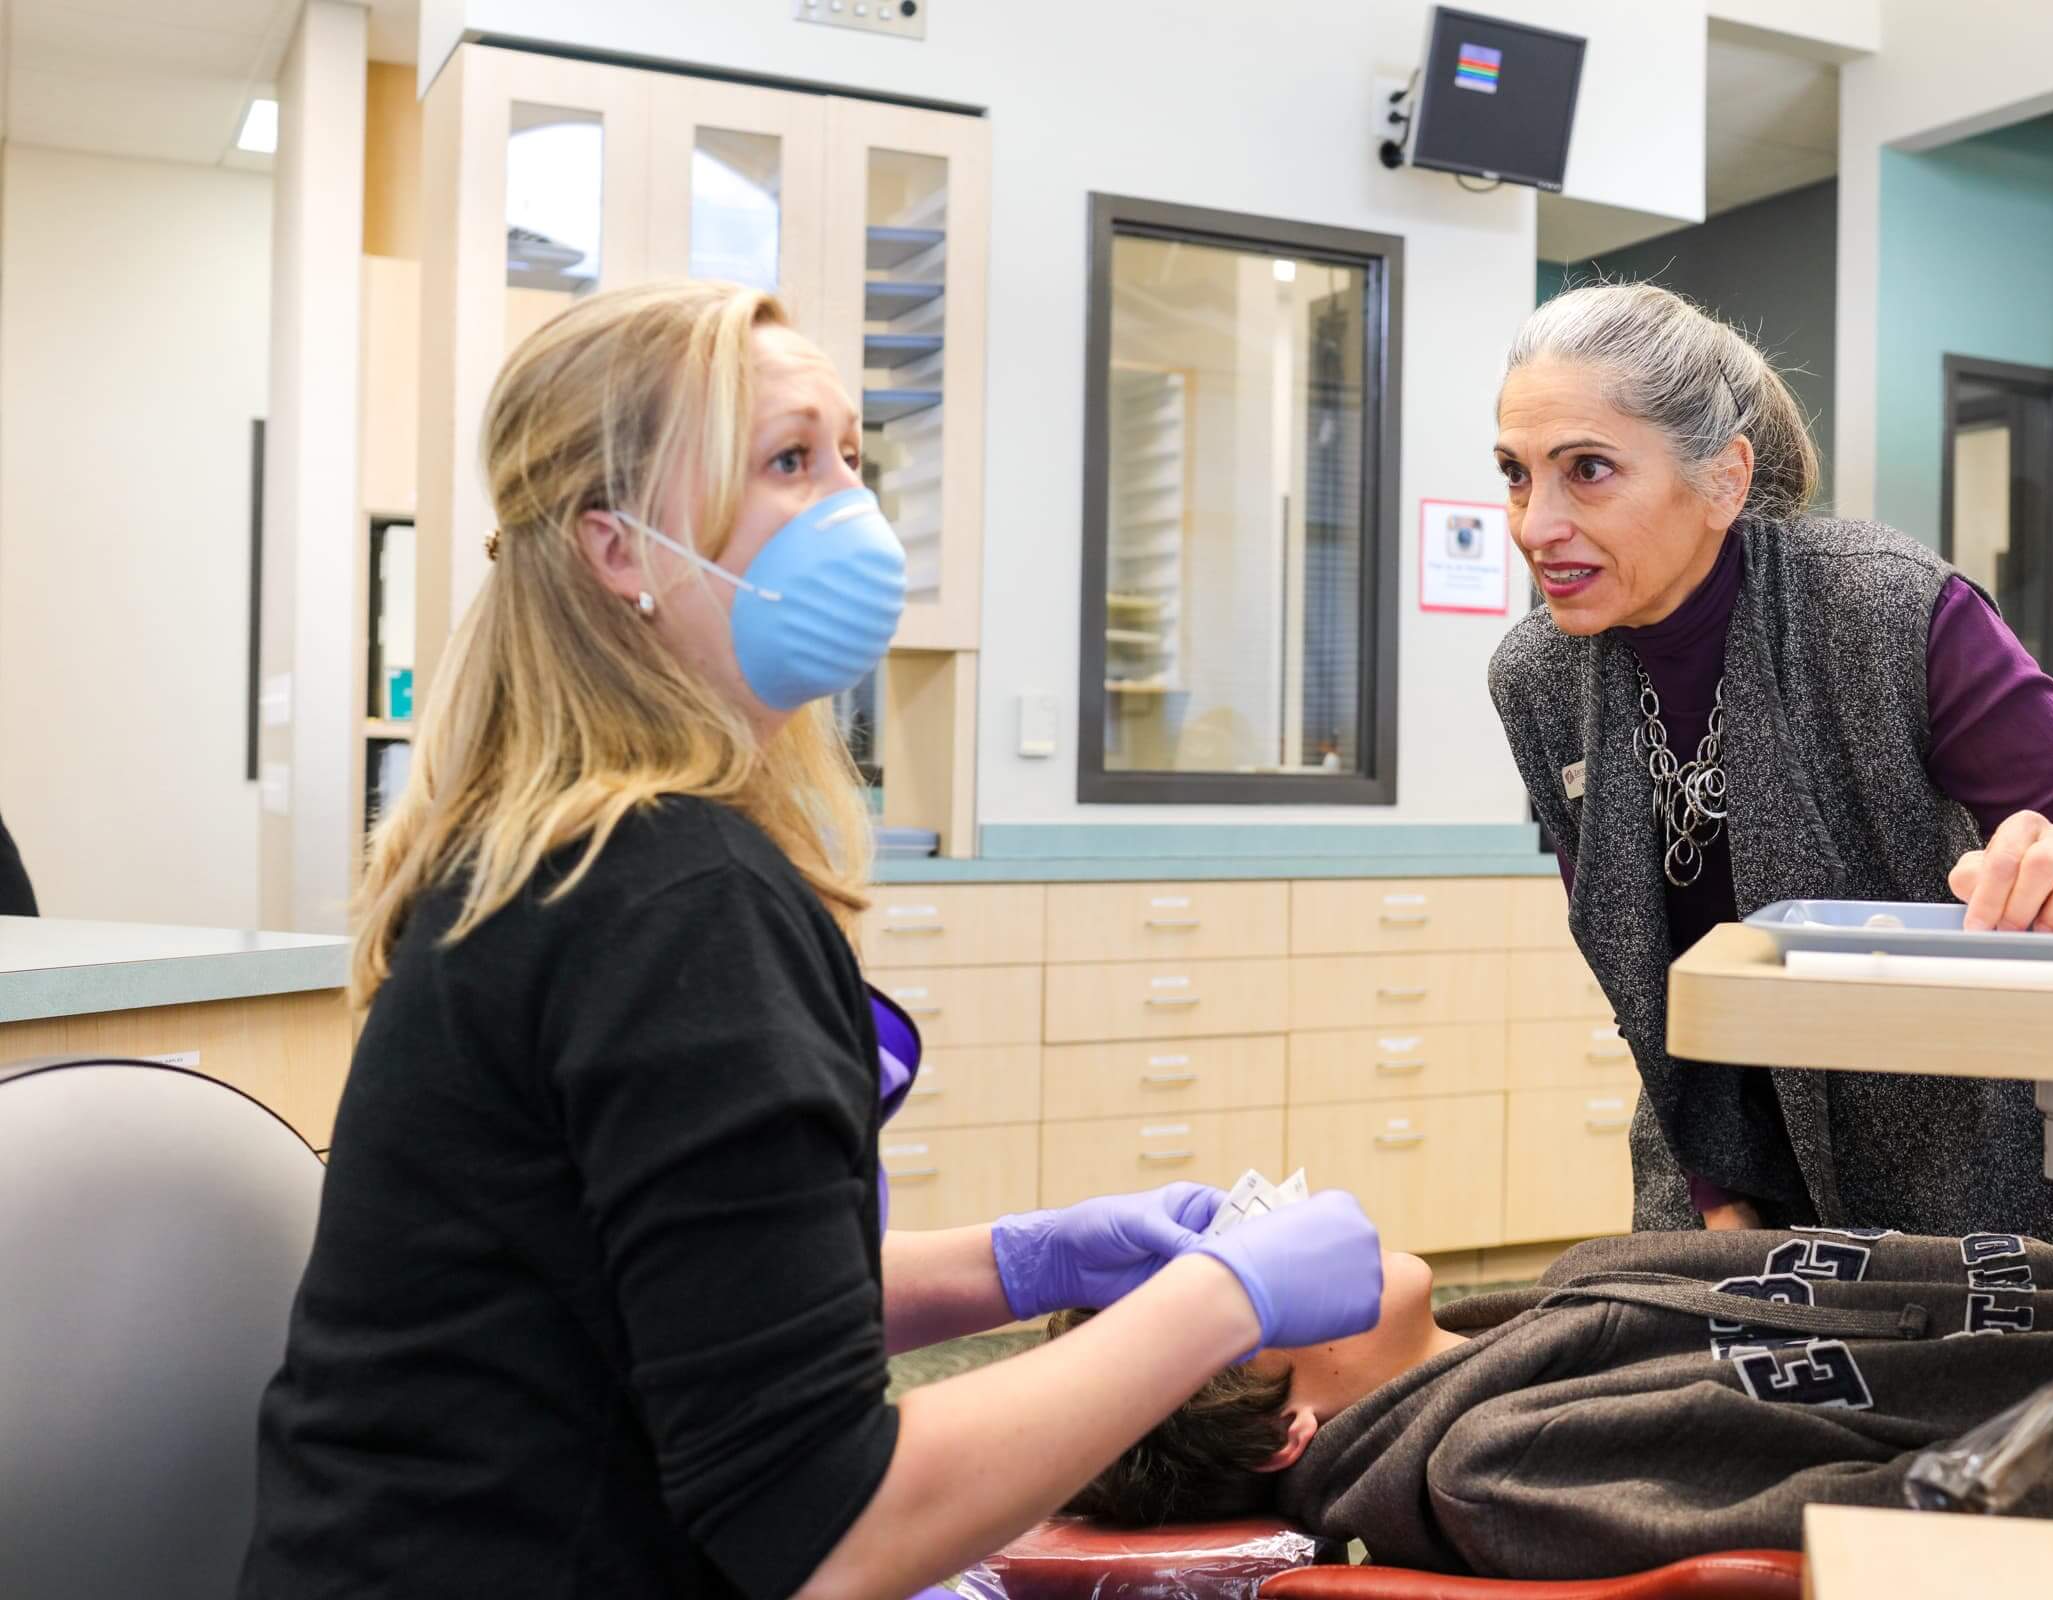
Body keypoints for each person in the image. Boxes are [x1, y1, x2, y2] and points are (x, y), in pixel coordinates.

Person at [237, 280, 1386, 1600]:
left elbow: (702, 1308)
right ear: (619, 551)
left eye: (852, 455)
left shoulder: (568, 851)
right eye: (789, 460)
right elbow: (828, 1526)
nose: (853, 510)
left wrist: (1024, 1263)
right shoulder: (668, 897)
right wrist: (1222, 1305)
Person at [1486, 282, 2053, 1246]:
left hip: (2002, 1178)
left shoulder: (1883, 610)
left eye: (1587, 471)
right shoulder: (1539, 679)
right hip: (1729, 1178)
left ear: (1724, 482)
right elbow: (1639, 980)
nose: (1537, 525)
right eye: (1515, 473)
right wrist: (1714, 1197)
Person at [1050, 1225, 2053, 1577]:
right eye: (1238, 1279)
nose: (1269, 1221)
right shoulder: (1501, 1464)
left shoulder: (1531, 1320)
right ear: (1291, 1424)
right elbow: (1920, 1516)